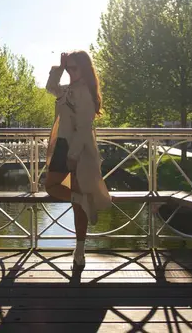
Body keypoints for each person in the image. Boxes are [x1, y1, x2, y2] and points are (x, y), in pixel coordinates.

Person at [45, 50, 112, 269]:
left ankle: (79, 251)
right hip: (62, 146)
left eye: (74, 68)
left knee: (77, 203)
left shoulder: (85, 93)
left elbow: (84, 129)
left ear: (84, 68)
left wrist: (73, 155)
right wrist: (60, 68)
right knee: (51, 186)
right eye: (69, 68)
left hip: (78, 150)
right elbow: (50, 88)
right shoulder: (68, 89)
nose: (71, 72)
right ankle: (81, 200)